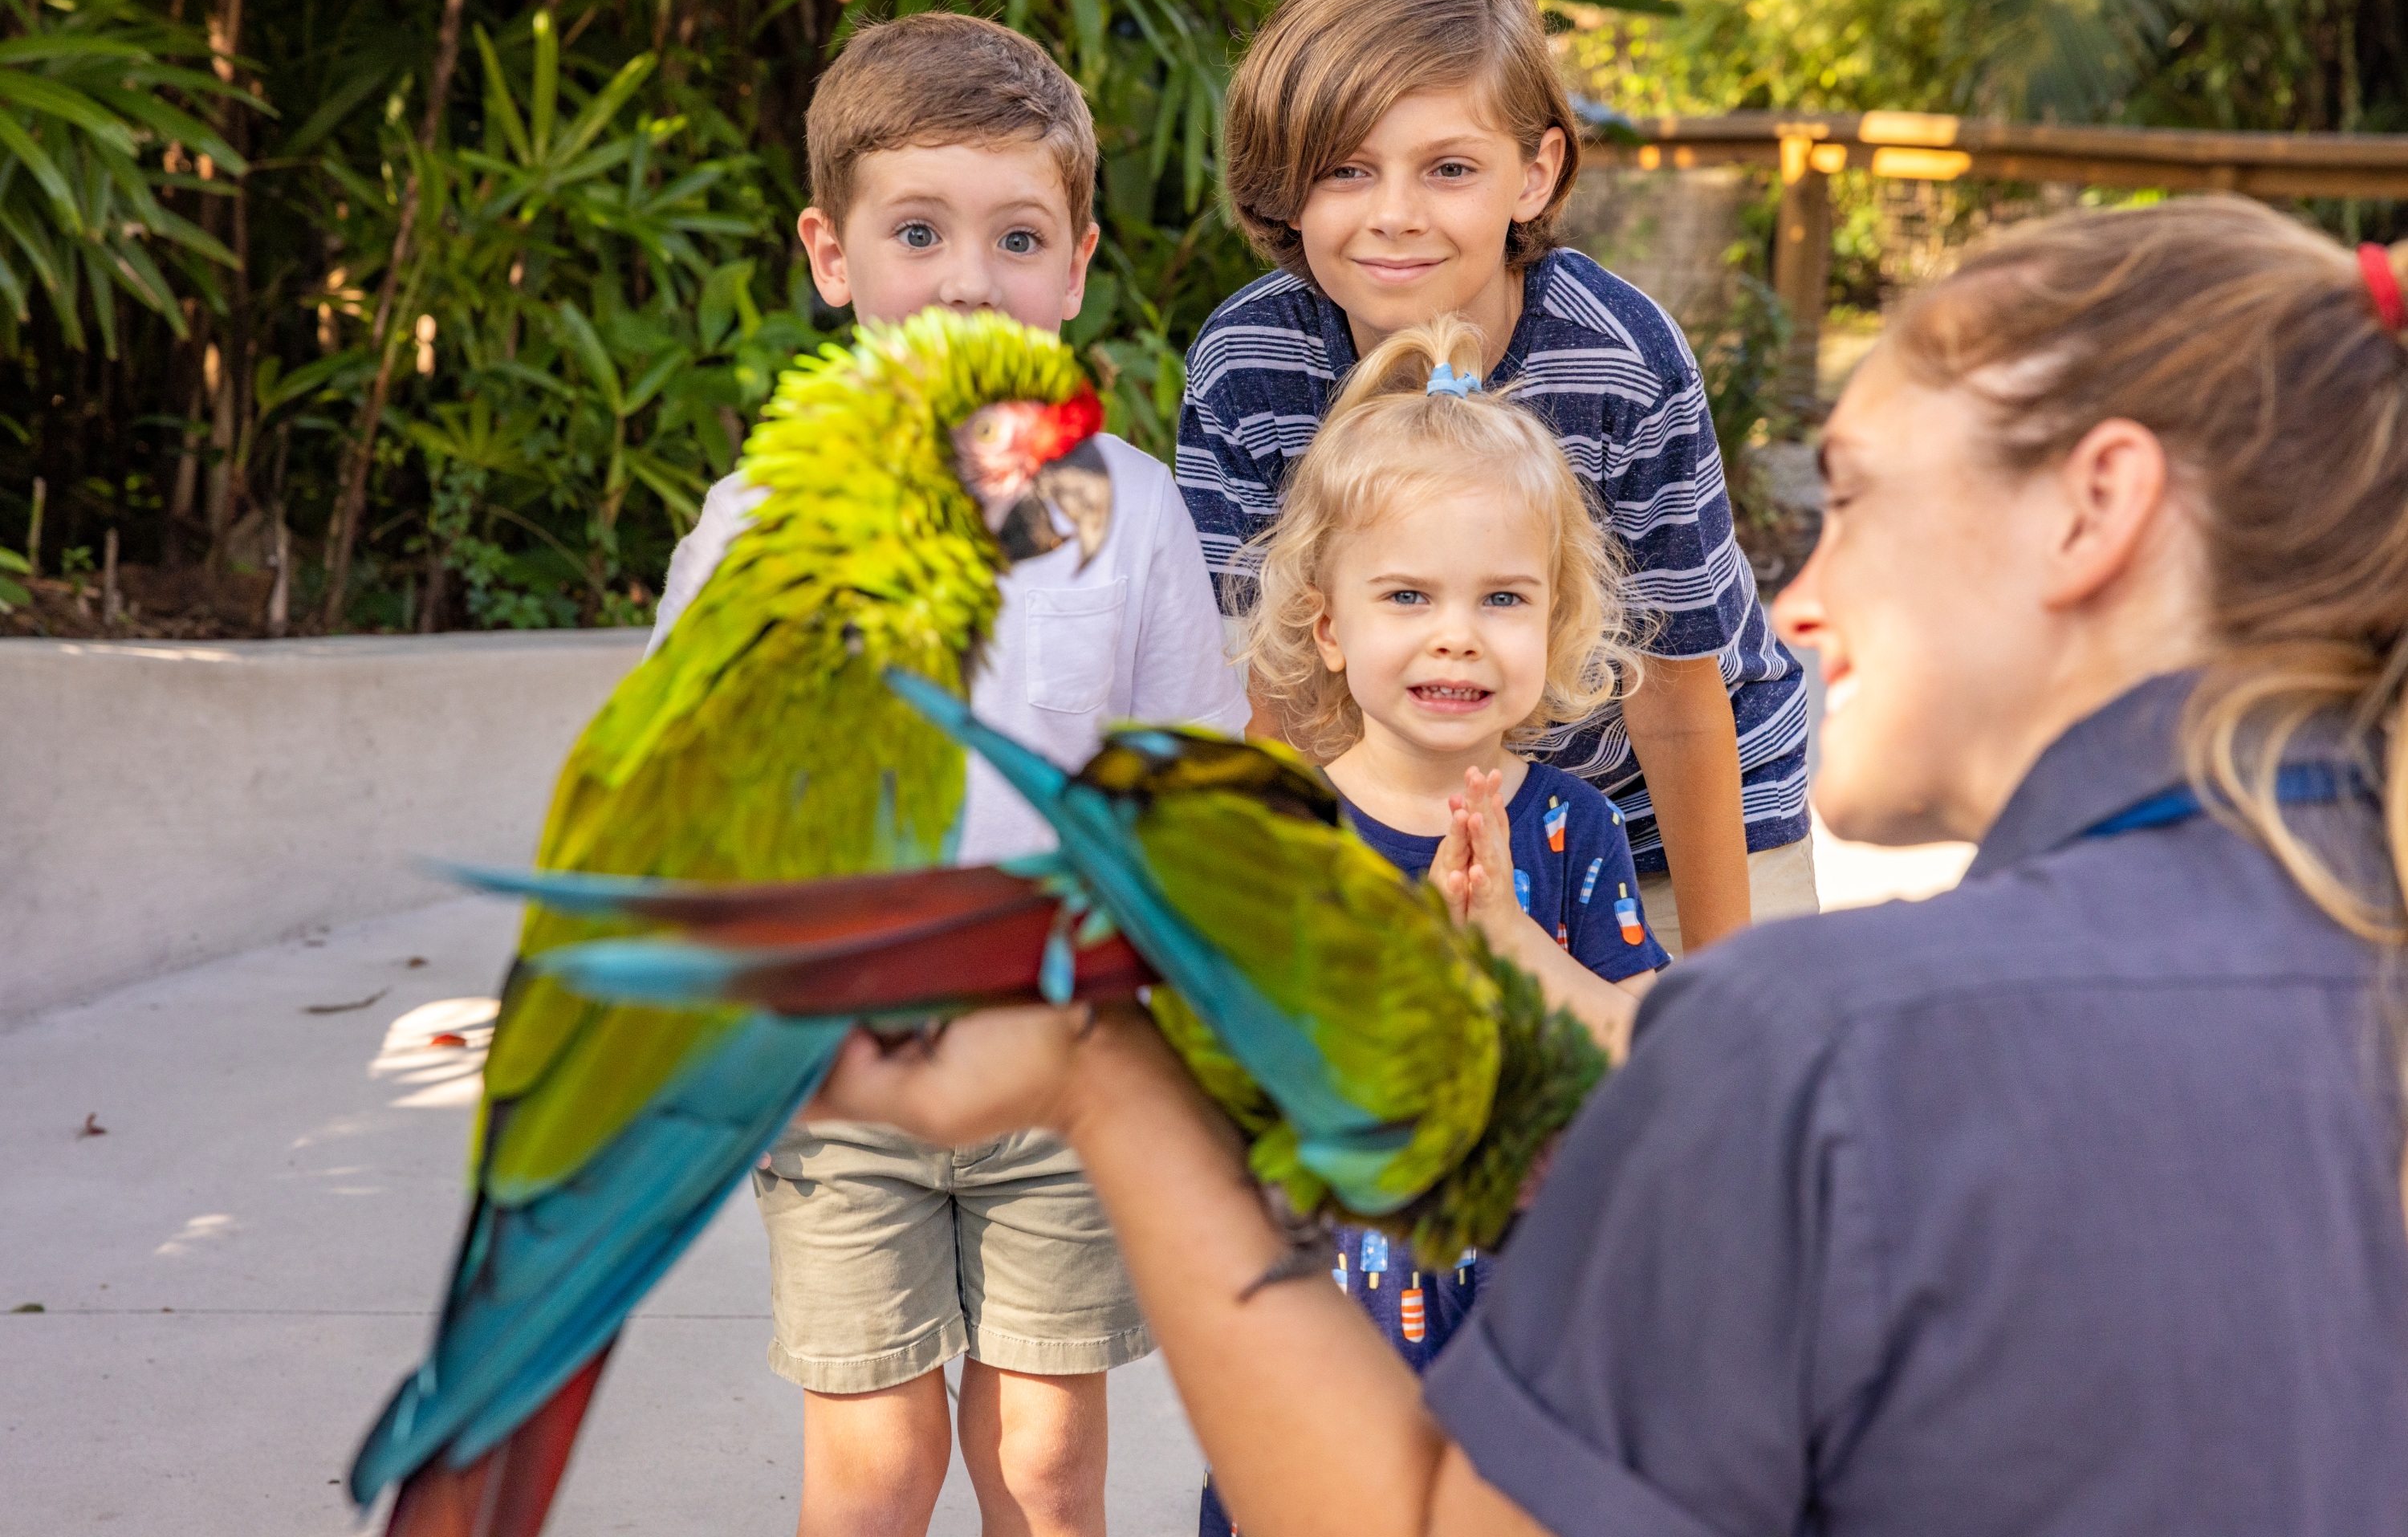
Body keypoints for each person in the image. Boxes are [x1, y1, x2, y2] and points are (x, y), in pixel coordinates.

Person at [803, 193, 2408, 1535]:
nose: (1797, 603)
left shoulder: (1838, 1045)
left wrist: (1104, 1087)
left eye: (1844, 498)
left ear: (2098, 507)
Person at [647, 13, 1248, 1537]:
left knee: (1046, 1467)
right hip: (848, 1080)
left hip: (1063, 1071)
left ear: (1078, 266)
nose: (969, 278)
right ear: (831, 255)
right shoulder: (755, 523)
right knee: (878, 1462)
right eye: (918, 231)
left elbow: (1191, 785)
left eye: (1017, 236)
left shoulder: (1136, 513)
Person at [1177, 0, 1814, 959]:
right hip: (1399, 809)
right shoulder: (1251, 364)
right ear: (1287, 185)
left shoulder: (1617, 361)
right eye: (1345, 169)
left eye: (1449, 169)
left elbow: (1680, 701)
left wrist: (1714, 990)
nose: (1393, 214)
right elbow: (1280, 686)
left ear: (1534, 171)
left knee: (1714, 1075)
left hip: (1661, 814)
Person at [1194, 314, 1670, 1533]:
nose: (1456, 632)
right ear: (1331, 627)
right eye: (1408, 595)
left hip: (1535, 1326)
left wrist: (1515, 939)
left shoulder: (1571, 830)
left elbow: (1647, 1062)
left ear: (1555, 626)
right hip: (1329, 1320)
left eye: (1501, 597)